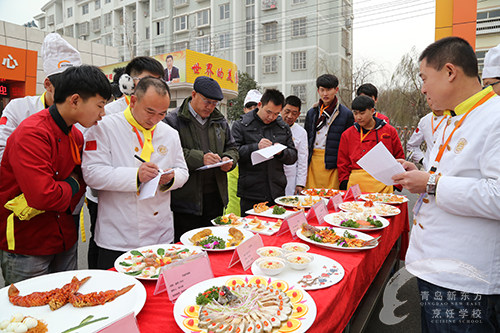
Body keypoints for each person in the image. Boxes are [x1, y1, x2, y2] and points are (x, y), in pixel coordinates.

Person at [393, 37, 500, 333]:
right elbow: (454, 174)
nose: (423, 88)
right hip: (437, 266)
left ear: (450, 72)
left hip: (464, 278)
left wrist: (431, 183)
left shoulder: (494, 117)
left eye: (425, 78)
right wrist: (420, 174)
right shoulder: (457, 117)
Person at [0, 65, 111, 285]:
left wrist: (69, 184)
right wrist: (71, 183)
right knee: (29, 312)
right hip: (28, 242)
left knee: (67, 305)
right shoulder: (32, 133)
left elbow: (84, 180)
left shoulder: (76, 134)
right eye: (100, 105)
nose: (102, 113)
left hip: (64, 236)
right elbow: (43, 196)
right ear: (75, 100)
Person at [82, 77, 189, 269]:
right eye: (150, 111)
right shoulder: (104, 127)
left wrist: (171, 178)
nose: (154, 119)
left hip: (160, 232)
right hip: (118, 235)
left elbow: (183, 170)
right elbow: (92, 173)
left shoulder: (170, 133)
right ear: (133, 101)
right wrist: (135, 176)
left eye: (162, 113)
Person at [85, 56, 164, 269]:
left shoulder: (161, 120)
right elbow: (93, 168)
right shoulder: (107, 114)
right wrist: (133, 176)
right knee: (102, 246)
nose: (152, 87)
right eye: (146, 81)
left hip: (150, 203)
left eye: (158, 82)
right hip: (109, 198)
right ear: (129, 81)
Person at [164, 76, 238, 242]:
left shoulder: (220, 121)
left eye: (214, 103)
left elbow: (232, 147)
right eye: (207, 101)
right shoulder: (173, 121)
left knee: (214, 242)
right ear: (194, 94)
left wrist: (229, 159)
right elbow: (168, 154)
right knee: (188, 245)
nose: (210, 107)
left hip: (215, 197)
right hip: (186, 199)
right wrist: (200, 158)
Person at [0, 32, 82, 161]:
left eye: (77, 86)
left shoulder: (85, 114)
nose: (73, 95)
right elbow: (2, 151)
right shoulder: (19, 108)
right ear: (48, 85)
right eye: (65, 87)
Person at [232, 89, 298, 214]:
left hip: (277, 191)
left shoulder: (282, 127)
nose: (271, 117)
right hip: (251, 192)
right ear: (259, 105)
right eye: (268, 112)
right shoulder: (241, 125)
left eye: (276, 114)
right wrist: (255, 147)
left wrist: (281, 152)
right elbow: (234, 153)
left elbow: (293, 156)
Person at [338, 95, 404, 193]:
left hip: (383, 183)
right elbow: (342, 162)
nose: (358, 117)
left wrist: (396, 185)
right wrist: (345, 182)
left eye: (362, 113)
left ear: (372, 111)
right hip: (356, 184)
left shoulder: (389, 131)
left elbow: (399, 158)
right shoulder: (347, 134)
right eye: (355, 113)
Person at [304, 74, 354, 190]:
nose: (325, 94)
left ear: (336, 90)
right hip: (313, 163)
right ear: (318, 91)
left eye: (328, 90)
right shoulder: (312, 113)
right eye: (322, 90)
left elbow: (348, 144)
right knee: (311, 199)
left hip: (333, 164)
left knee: (332, 199)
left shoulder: (346, 114)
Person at [224, 89, 263, 216]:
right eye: (249, 107)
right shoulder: (237, 126)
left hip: (257, 180)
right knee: (233, 212)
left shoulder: (268, 128)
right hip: (236, 173)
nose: (252, 110)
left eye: (255, 106)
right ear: (244, 109)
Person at [281, 95, 308, 195]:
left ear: (298, 115)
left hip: (291, 177)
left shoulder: (301, 132)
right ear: (281, 110)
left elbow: (302, 159)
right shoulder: (273, 127)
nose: (289, 116)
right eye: (287, 112)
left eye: (294, 113)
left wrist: (300, 183)